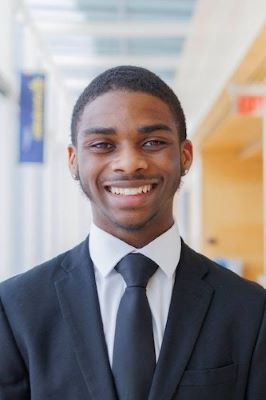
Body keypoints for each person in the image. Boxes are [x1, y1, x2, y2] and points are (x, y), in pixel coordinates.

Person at [0, 65, 265, 400]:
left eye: (153, 142)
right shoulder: (15, 310)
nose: (128, 163)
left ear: (184, 156)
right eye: (102, 145)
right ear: (73, 161)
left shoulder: (251, 311)